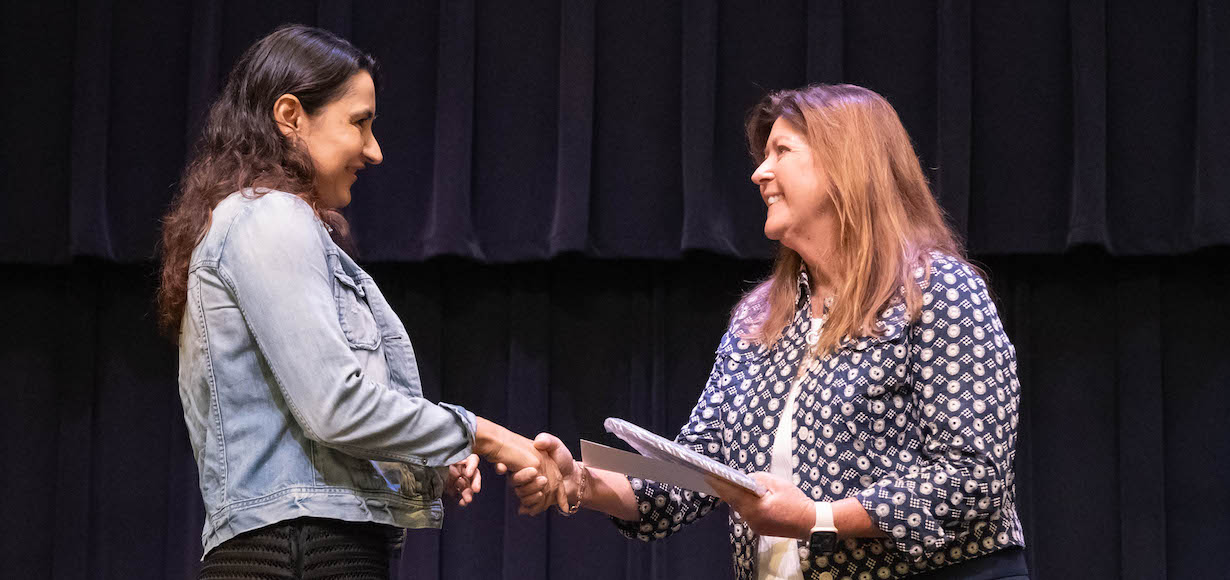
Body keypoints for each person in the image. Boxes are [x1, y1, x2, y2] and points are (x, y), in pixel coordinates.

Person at [508, 84, 1028, 580]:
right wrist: (585, 480)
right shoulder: (760, 317)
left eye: (782, 151)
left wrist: (818, 518)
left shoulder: (936, 291)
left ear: (847, 165)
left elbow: (973, 476)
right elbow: (696, 472)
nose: (760, 173)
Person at [156, 25, 562, 579]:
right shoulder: (269, 217)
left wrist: (427, 458)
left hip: (302, 550)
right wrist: (487, 435)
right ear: (290, 115)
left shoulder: (264, 222)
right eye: (359, 122)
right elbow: (334, 405)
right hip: (297, 556)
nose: (373, 150)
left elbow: (305, 426)